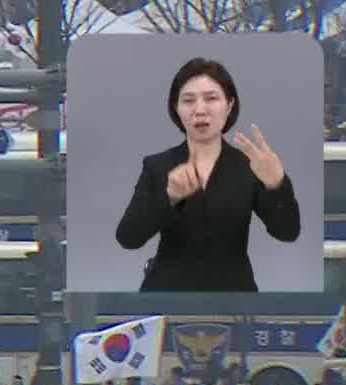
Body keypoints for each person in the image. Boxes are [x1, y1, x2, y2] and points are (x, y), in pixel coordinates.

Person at [113, 57, 301, 291]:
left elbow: (287, 232)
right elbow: (128, 238)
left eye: (211, 98)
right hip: (166, 296)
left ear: (229, 105)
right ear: (176, 108)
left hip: (234, 298)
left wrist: (276, 184)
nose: (200, 110)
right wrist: (169, 198)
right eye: (188, 100)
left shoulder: (249, 166)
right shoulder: (157, 166)